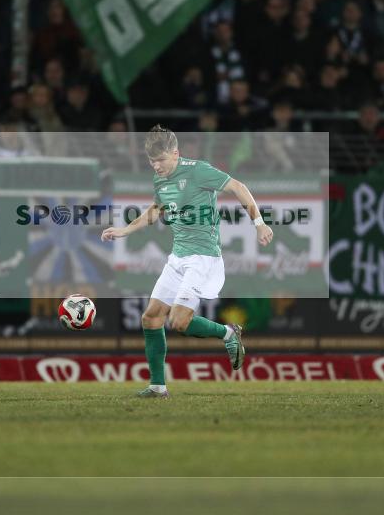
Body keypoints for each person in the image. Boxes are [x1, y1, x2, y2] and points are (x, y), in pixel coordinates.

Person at [101, 125, 273, 398]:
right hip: (178, 258)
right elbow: (156, 209)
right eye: (152, 161)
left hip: (204, 259)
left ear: (176, 153)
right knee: (151, 318)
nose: (156, 166)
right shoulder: (161, 179)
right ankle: (158, 387)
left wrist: (259, 223)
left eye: (161, 160)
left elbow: (238, 187)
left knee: (179, 322)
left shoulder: (197, 170)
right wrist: (124, 230)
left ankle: (229, 334)